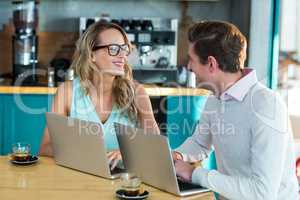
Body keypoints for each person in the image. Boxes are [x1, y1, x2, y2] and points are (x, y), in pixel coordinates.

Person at [173, 21, 299, 200]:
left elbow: (262, 193)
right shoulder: (215, 98)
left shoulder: (266, 105)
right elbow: (200, 143)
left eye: (191, 59)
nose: (189, 67)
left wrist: (195, 174)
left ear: (211, 64)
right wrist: (176, 155)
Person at [40, 21, 160, 169]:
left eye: (124, 49)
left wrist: (128, 152)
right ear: (91, 55)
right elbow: (45, 147)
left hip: (124, 184)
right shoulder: (67, 92)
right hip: (80, 180)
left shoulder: (137, 92)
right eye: (114, 49)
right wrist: (84, 153)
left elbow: (155, 145)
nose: (122, 55)